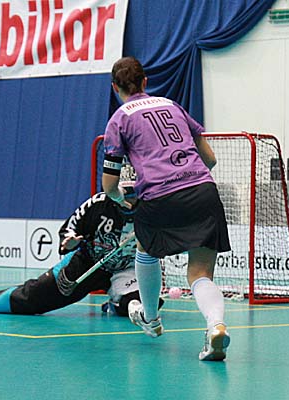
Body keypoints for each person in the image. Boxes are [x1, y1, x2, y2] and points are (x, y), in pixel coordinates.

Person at [102, 56, 231, 361]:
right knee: (200, 273)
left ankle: (150, 318)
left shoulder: (119, 120)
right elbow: (210, 159)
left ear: (115, 87)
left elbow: (109, 185)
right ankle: (216, 326)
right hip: (203, 192)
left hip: (159, 198)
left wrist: (120, 197)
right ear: (145, 82)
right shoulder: (172, 105)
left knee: (146, 249)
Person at [0, 181, 163, 318]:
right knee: (33, 298)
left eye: (134, 196)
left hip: (128, 269)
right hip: (88, 264)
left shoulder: (155, 209)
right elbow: (69, 229)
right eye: (124, 195)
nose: (128, 202)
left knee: (142, 304)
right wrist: (69, 241)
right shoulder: (98, 203)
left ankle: (115, 306)